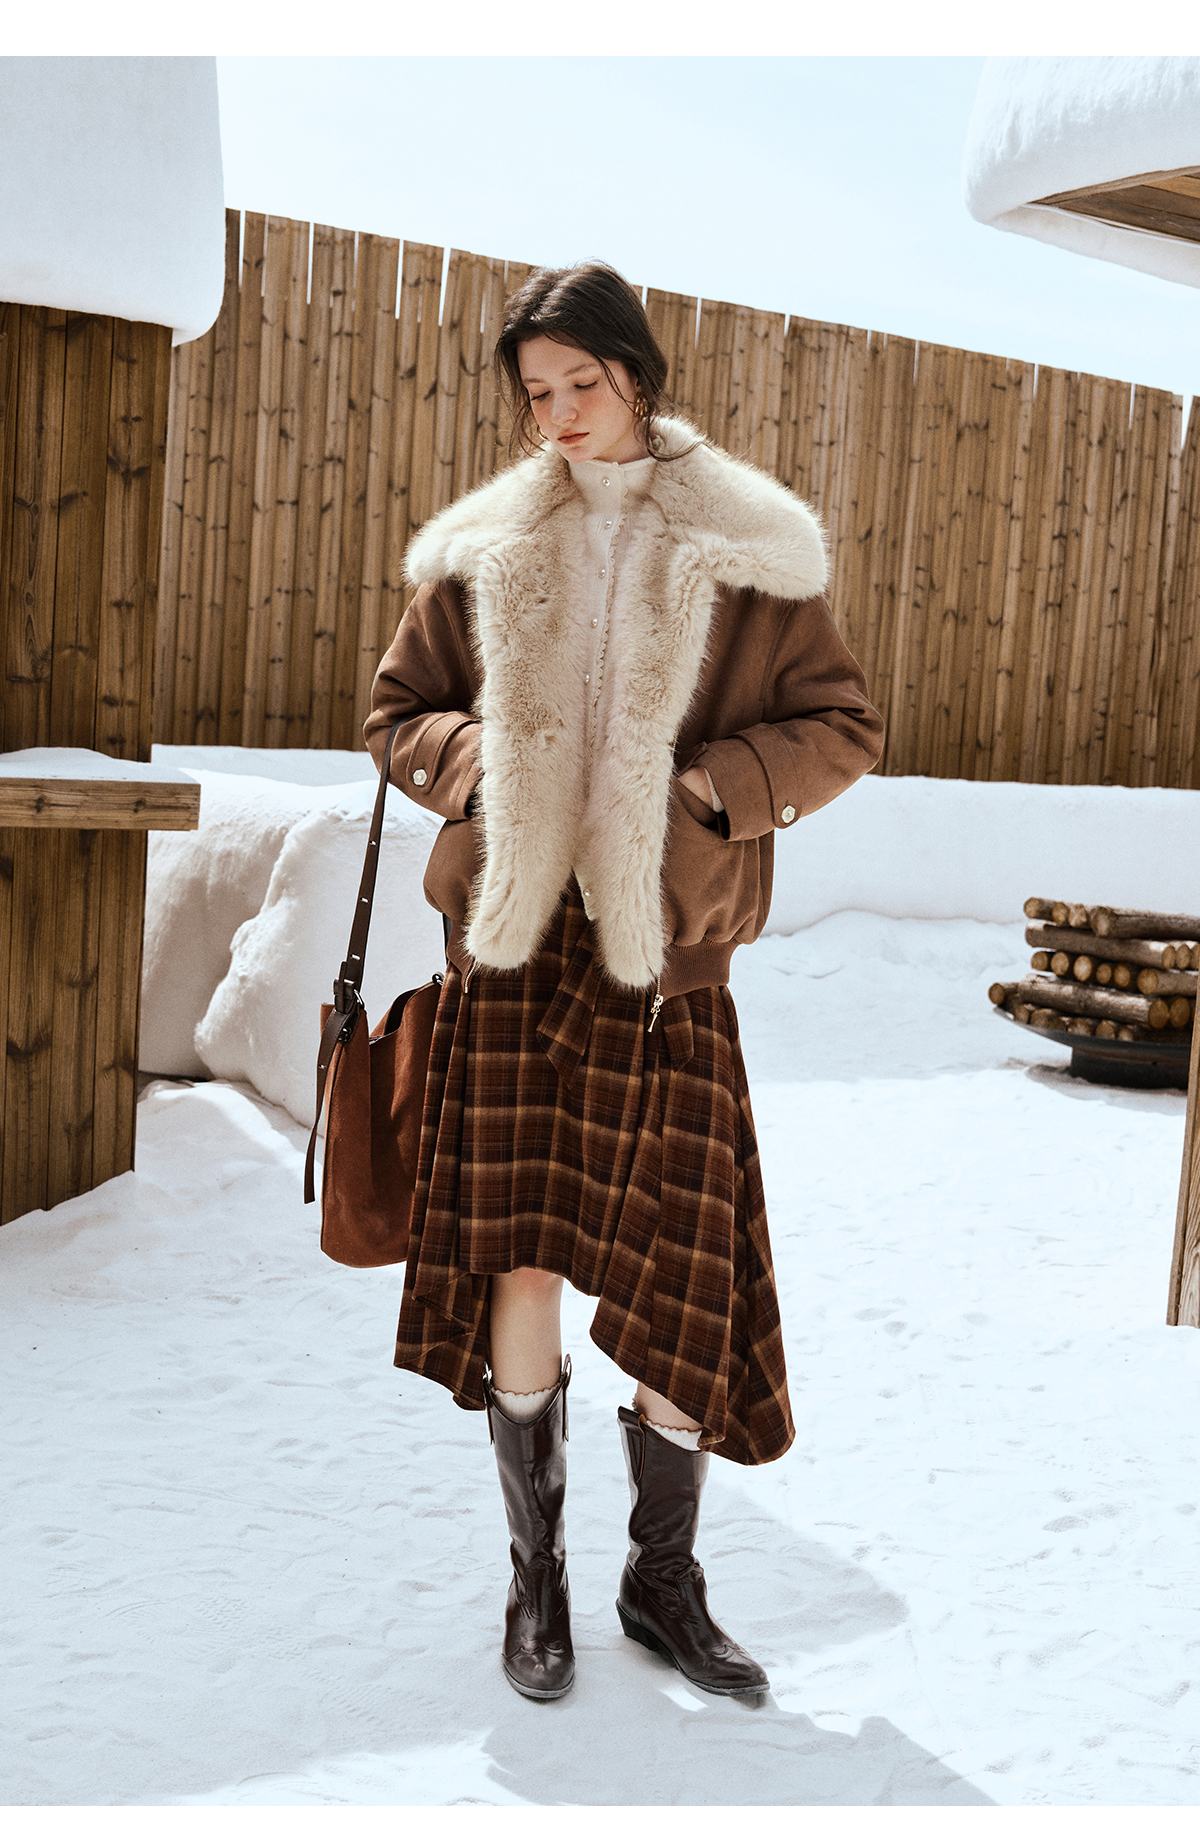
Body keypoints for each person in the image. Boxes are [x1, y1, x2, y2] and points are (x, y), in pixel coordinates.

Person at [364, 261, 884, 1704]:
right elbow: (395, 717)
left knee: (681, 1281)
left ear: (637, 375)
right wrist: (485, 763)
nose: (557, 415)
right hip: (515, 956)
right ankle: (535, 1582)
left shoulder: (747, 545)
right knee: (520, 1258)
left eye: (580, 384)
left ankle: (663, 1584)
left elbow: (844, 727)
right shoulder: (483, 545)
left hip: (665, 967)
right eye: (534, 393)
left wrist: (710, 791)